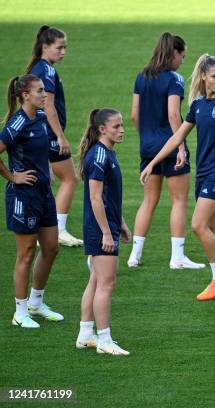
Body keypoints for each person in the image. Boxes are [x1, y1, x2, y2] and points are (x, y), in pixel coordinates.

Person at [140, 54, 215, 301]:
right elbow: (177, 138)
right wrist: (153, 162)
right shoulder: (197, 105)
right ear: (204, 77)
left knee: (198, 225)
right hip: (204, 173)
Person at [127, 32, 204, 269]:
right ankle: (177, 257)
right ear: (173, 54)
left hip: (148, 146)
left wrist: (147, 138)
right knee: (179, 200)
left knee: (149, 200)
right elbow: (173, 114)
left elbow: (133, 115)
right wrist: (180, 146)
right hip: (170, 146)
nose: (183, 61)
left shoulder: (142, 77)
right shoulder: (174, 79)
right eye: (182, 56)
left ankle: (134, 256)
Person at [0, 74, 63, 328]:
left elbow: (42, 148)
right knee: (26, 253)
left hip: (43, 194)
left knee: (51, 248)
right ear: (25, 95)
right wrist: (12, 176)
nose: (44, 94)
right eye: (39, 91)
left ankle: (36, 303)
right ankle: (20, 311)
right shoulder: (17, 123)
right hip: (23, 197)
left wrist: (47, 168)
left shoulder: (40, 117)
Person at [76, 108, 132, 355]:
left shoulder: (106, 153)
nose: (122, 130)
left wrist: (119, 222)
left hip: (104, 225)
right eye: (116, 126)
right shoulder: (99, 156)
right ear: (102, 129)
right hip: (100, 229)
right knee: (106, 284)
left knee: (97, 280)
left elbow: (109, 197)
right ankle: (104, 340)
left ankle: (85, 334)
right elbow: (95, 198)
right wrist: (107, 233)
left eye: (122, 125)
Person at [26, 25, 82, 246]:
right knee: (69, 179)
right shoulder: (46, 71)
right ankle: (56, 230)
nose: (63, 52)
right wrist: (60, 136)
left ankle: (45, 229)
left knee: (46, 180)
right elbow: (48, 106)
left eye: (65, 48)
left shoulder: (38, 68)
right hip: (48, 134)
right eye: (59, 48)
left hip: (39, 133)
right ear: (45, 47)